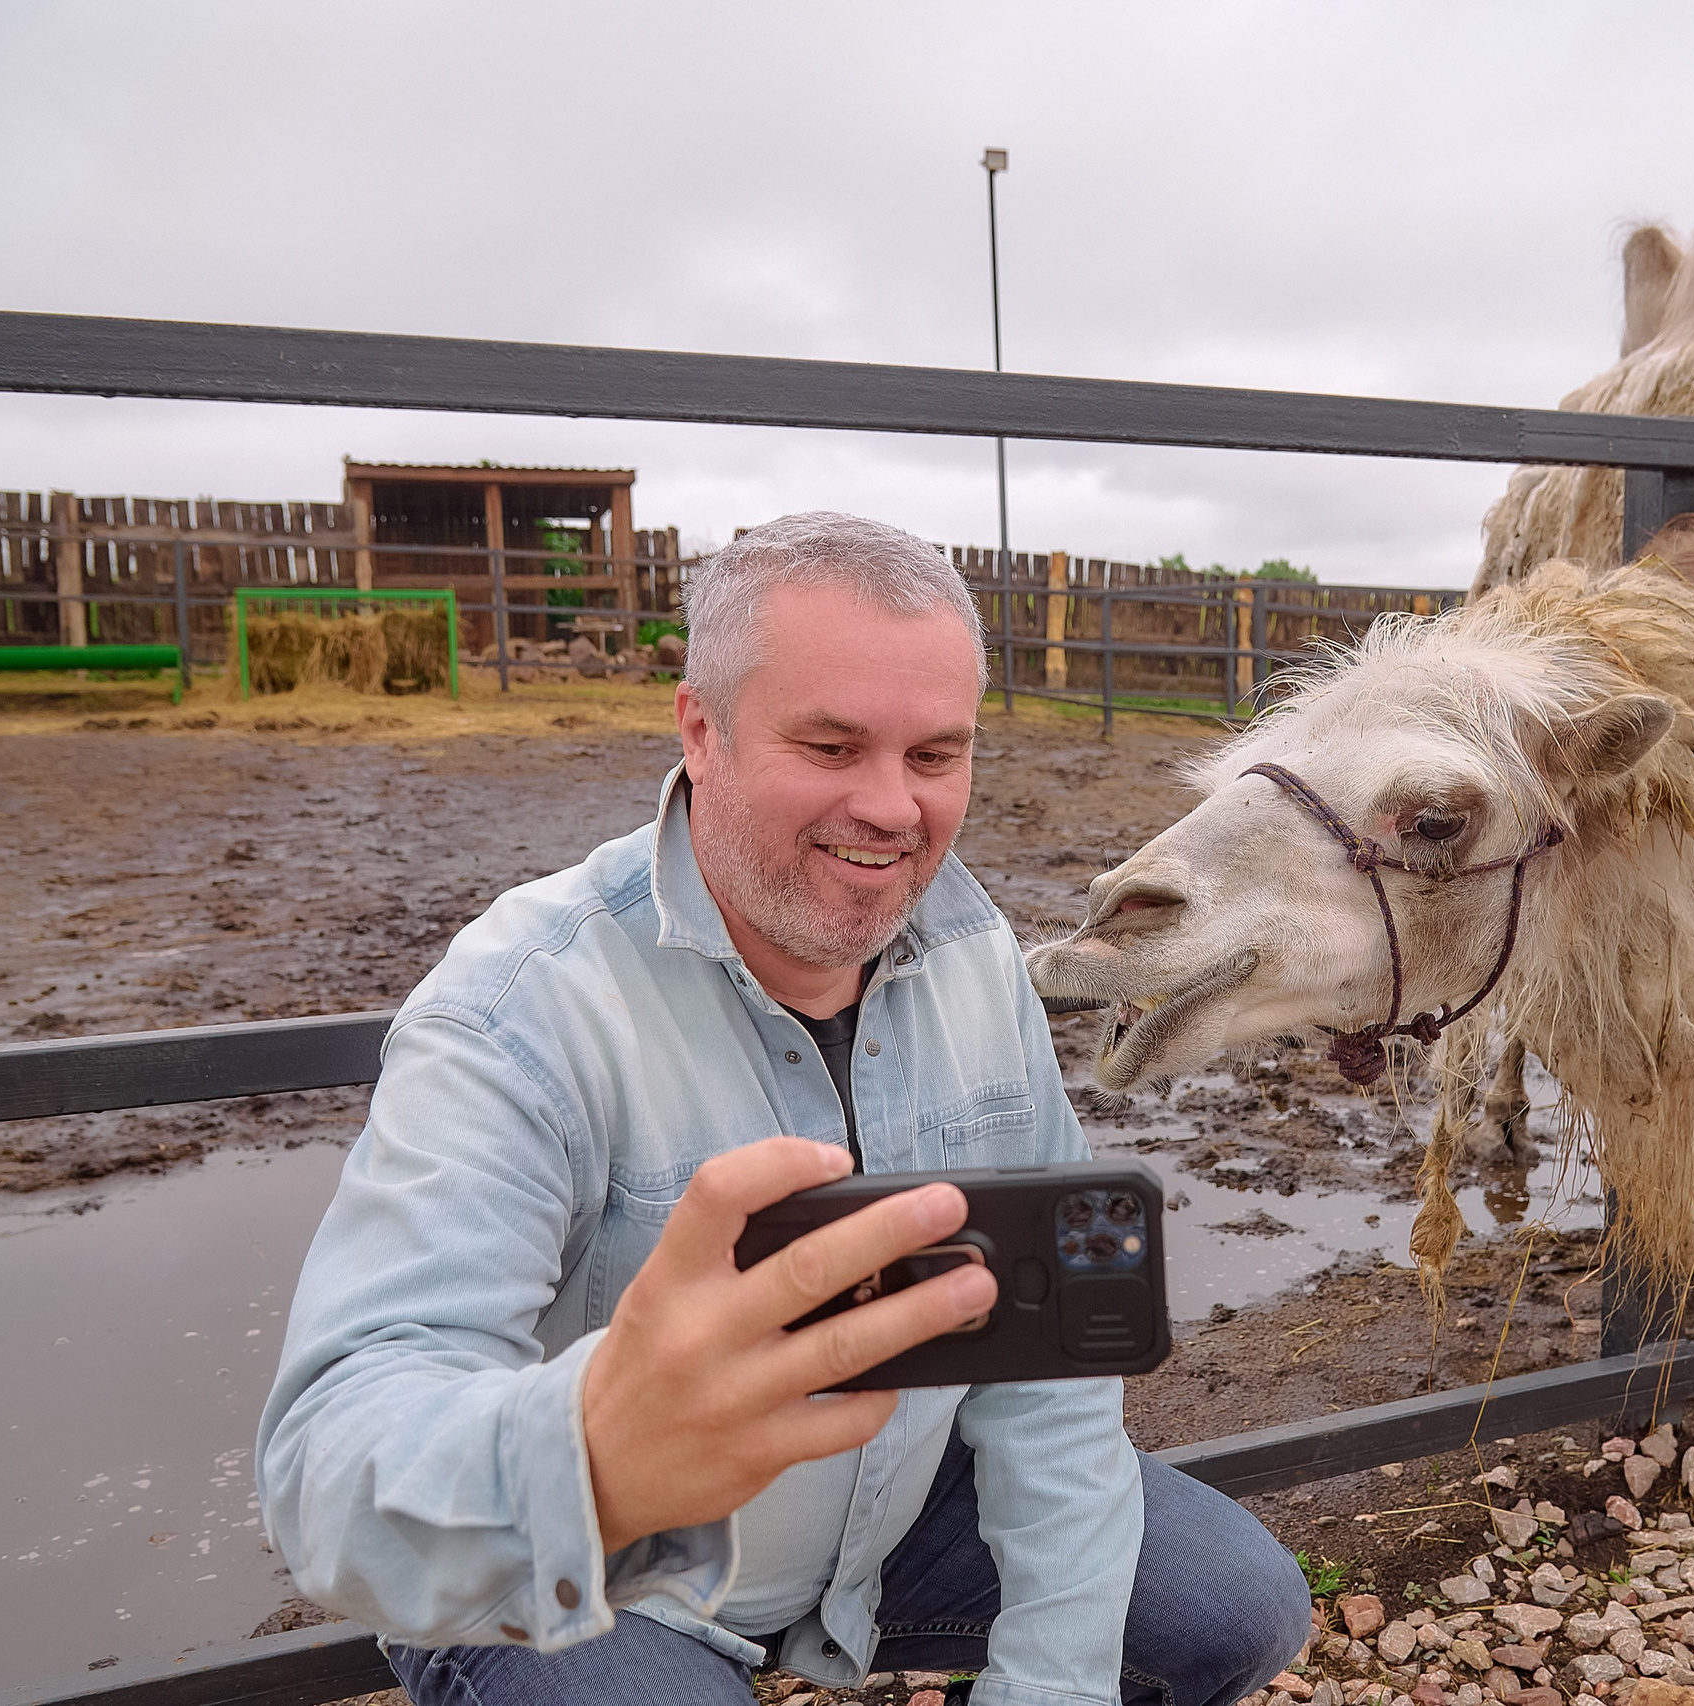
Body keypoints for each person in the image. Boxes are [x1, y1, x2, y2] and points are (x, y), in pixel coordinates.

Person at [256, 512, 1312, 1706]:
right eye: (830, 744)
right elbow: (328, 1467)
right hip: (595, 1565)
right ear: (700, 730)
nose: (893, 807)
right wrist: (588, 1456)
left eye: (935, 754)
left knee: (1238, 1608)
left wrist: (1050, 1686)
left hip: (896, 1511)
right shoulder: (521, 1006)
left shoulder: (975, 957)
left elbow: (1049, 1364)